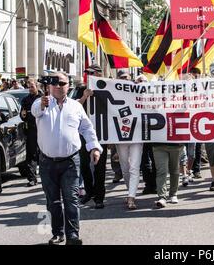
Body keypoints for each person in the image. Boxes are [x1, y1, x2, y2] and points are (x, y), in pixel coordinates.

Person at [32, 73, 102, 245]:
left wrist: (94, 147)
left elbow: (87, 128)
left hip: (70, 161)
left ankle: (72, 235)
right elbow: (35, 110)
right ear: (48, 86)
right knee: (53, 201)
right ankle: (58, 233)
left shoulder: (76, 106)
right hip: (47, 162)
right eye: (54, 83)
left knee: (71, 199)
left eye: (61, 83)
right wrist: (41, 103)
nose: (57, 86)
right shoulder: (41, 103)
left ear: (68, 86)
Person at [77, 64, 109, 209]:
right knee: (84, 165)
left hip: (102, 133)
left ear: (99, 73)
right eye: (87, 73)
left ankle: (99, 196)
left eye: (92, 73)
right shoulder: (80, 89)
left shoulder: (107, 87)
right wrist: (84, 96)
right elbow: (74, 106)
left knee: (99, 167)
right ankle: (89, 192)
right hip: (84, 133)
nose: (89, 75)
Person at [115, 71, 144, 210]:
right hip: (120, 135)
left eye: (126, 78)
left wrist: (143, 86)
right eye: (121, 78)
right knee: (125, 167)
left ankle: (132, 196)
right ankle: (129, 190)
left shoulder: (137, 91)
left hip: (137, 134)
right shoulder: (114, 92)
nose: (124, 80)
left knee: (134, 167)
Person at [20, 79, 43, 187]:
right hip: (31, 130)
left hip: (43, 129)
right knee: (31, 154)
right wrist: (23, 115)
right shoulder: (25, 100)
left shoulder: (43, 98)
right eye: (29, 87)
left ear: (37, 87)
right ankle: (32, 178)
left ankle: (46, 176)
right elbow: (22, 114)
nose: (30, 89)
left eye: (32, 86)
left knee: (44, 154)